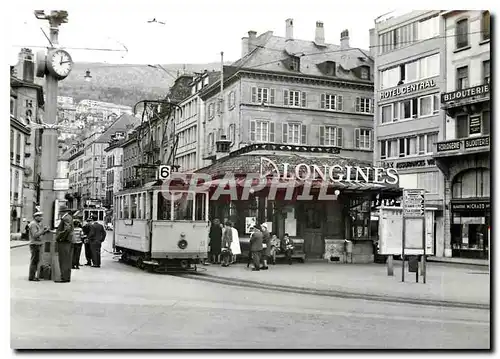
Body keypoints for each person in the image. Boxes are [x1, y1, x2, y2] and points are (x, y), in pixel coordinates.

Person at [28, 212, 50, 281]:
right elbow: (35, 235)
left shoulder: (37, 224)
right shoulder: (33, 224)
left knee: (36, 260)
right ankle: (32, 277)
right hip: (35, 244)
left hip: (37, 244)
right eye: (40, 216)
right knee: (34, 261)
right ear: (36, 217)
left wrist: (45, 231)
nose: (41, 218)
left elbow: (39, 233)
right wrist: (43, 231)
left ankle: (33, 275)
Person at [55, 206, 74, 283]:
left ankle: (64, 277)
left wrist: (59, 237)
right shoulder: (68, 217)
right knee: (67, 260)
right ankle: (66, 277)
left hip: (64, 242)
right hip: (67, 241)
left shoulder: (66, 218)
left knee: (64, 260)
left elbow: (67, 229)